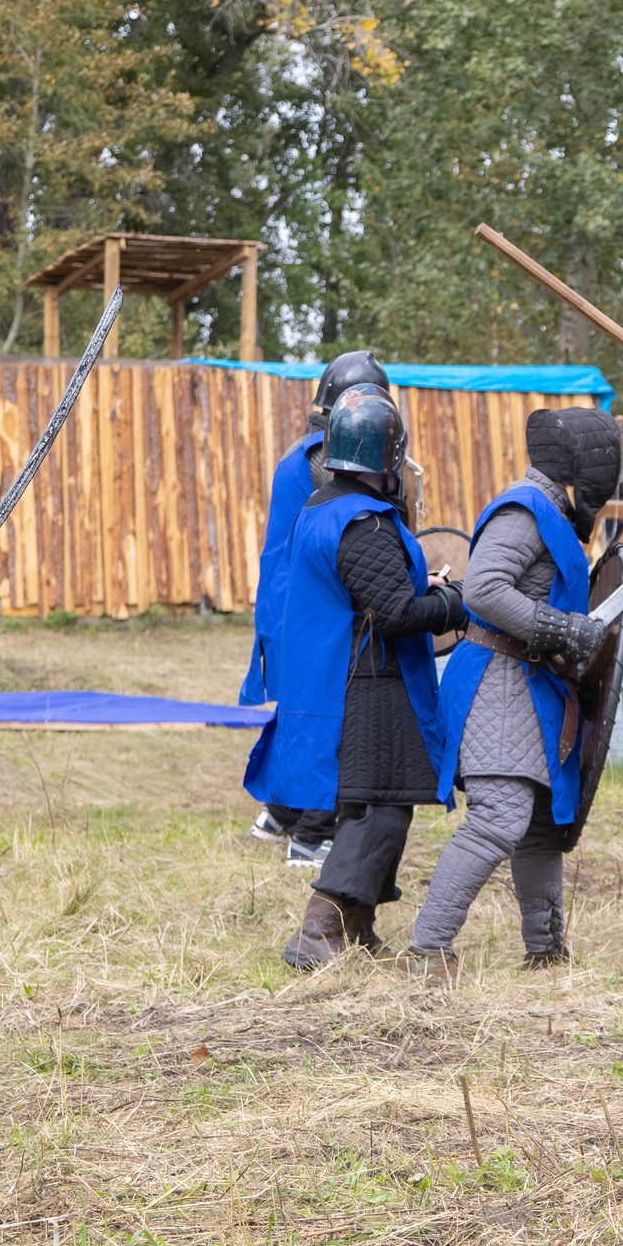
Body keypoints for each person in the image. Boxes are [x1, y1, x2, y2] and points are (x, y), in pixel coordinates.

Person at [248, 392, 467, 965]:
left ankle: (357, 925)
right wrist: (452, 603)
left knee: (368, 805)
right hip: (367, 681)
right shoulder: (363, 523)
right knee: (381, 807)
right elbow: (395, 614)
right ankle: (319, 929)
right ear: (388, 457)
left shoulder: (320, 508)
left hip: (344, 677)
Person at [406, 409, 620, 976]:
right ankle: (429, 948)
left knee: (544, 822)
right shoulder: (524, 510)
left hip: (536, 684)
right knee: (500, 816)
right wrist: (565, 629)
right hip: (498, 677)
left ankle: (545, 952)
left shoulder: (550, 510)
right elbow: (483, 589)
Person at [243, 350, 392, 866]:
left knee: (301, 713)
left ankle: (280, 814)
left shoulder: (303, 452)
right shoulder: (322, 461)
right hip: (310, 608)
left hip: (288, 602)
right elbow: (347, 533)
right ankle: (311, 834)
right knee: (331, 718)